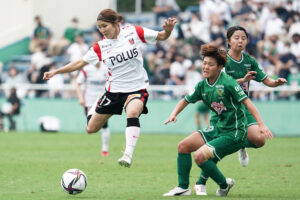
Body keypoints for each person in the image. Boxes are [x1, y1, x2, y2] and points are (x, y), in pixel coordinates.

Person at [43, 8, 177, 167]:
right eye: (99, 27)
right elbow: (80, 63)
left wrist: (168, 31)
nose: (102, 30)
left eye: (104, 26)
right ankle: (99, 103)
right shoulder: (100, 47)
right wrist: (56, 71)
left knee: (133, 112)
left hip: (137, 88)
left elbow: (161, 36)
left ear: (115, 23)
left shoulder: (134, 32)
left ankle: (127, 154)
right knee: (91, 128)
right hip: (113, 92)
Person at [163, 44, 273, 197]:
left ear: (220, 67)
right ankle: (183, 188)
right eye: (204, 63)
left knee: (200, 156)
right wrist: (173, 114)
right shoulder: (202, 85)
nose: (205, 67)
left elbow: (248, 103)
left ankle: (224, 184)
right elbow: (185, 100)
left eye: (210, 64)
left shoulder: (228, 82)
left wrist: (261, 124)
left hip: (234, 132)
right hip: (218, 128)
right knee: (183, 146)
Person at [194, 26, 287, 196]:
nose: (240, 41)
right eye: (236, 37)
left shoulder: (249, 61)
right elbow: (213, 81)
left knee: (259, 140)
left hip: (243, 107)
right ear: (228, 40)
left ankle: (240, 145)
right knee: (214, 149)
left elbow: (265, 79)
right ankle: (201, 182)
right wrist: (241, 80)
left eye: (243, 38)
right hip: (222, 110)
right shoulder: (221, 59)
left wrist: (276, 83)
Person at [75, 62, 111, 157]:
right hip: (89, 101)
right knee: (90, 128)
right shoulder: (87, 69)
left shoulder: (107, 68)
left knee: (104, 125)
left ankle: (105, 150)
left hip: (103, 100)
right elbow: (77, 83)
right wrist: (80, 97)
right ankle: (90, 128)